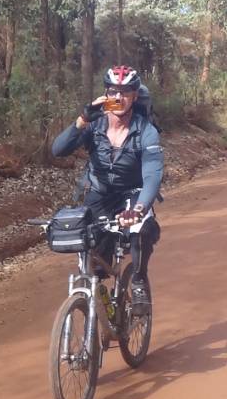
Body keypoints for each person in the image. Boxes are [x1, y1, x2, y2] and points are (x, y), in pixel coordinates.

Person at [51, 65, 163, 314]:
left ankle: (138, 281)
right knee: (89, 249)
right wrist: (82, 120)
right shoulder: (94, 124)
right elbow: (58, 150)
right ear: (105, 94)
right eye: (113, 91)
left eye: (125, 92)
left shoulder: (146, 131)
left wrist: (139, 208)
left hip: (133, 193)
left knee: (141, 228)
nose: (119, 97)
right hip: (99, 194)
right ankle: (100, 303)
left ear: (135, 95)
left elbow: (153, 176)